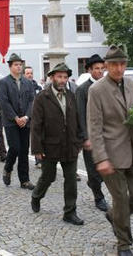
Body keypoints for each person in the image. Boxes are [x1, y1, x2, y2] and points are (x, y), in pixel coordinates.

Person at [87, 45, 133, 256]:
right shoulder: (96, 90)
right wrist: (101, 157)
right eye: (114, 64)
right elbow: (94, 127)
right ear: (106, 66)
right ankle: (124, 244)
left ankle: (114, 215)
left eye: (122, 64)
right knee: (121, 199)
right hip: (112, 155)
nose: (119, 69)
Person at [31, 63, 84, 225]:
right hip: (50, 145)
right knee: (48, 176)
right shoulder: (42, 97)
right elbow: (36, 125)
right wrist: (37, 149)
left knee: (70, 180)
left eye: (65, 77)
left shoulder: (71, 95)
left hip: (70, 145)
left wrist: (80, 139)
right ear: (52, 77)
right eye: (59, 77)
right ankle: (36, 195)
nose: (62, 80)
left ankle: (70, 211)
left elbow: (77, 118)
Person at [76, 54, 109, 212]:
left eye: (102, 68)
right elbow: (80, 114)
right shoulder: (83, 89)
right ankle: (99, 197)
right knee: (93, 170)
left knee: (107, 168)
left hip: (108, 135)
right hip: (91, 136)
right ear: (89, 70)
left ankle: (94, 183)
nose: (100, 71)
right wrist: (85, 137)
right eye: (97, 69)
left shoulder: (109, 86)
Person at [0, 53, 35, 190]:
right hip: (11, 121)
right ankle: (8, 168)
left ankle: (24, 180)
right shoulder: (4, 82)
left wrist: (26, 117)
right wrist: (15, 118)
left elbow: (32, 100)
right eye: (16, 65)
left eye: (20, 64)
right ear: (10, 67)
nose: (19, 67)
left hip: (25, 121)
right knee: (15, 147)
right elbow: (4, 102)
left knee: (24, 150)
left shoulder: (28, 82)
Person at [23, 66, 42, 168]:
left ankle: (39, 159)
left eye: (31, 73)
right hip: (26, 117)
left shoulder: (37, 86)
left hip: (38, 116)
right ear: (24, 75)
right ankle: (24, 160)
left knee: (38, 138)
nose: (30, 75)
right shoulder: (22, 87)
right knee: (26, 140)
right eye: (27, 73)